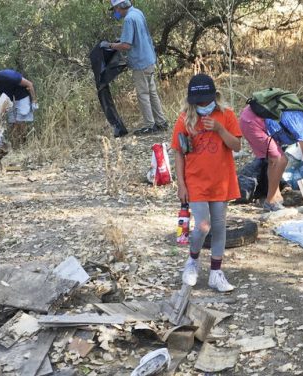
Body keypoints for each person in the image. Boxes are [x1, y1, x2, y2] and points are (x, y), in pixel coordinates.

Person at [171, 73, 242, 292]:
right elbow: (179, 153)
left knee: (219, 226)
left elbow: (237, 146)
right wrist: (181, 185)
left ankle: (216, 273)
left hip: (221, 180)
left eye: (207, 101)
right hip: (196, 181)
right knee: (202, 226)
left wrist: (219, 130)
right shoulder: (184, 119)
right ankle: (192, 261)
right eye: (199, 102)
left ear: (215, 96)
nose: (203, 105)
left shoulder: (226, 116)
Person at [239, 93, 303, 212]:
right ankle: (270, 202)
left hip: (248, 116)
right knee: (280, 160)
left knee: (274, 159)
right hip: (253, 123)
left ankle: (274, 198)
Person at [101, 0, 168, 135]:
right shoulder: (138, 13)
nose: (116, 12)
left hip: (140, 62)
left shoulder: (128, 19)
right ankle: (161, 122)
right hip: (149, 58)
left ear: (121, 6)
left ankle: (149, 125)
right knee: (152, 92)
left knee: (143, 93)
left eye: (115, 9)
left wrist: (110, 45)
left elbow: (126, 45)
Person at [0, 67, 38, 143]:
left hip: (22, 97)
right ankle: (16, 145)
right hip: (10, 100)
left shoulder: (9, 75)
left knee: (20, 121)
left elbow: (29, 84)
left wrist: (34, 101)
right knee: (12, 123)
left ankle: (23, 144)